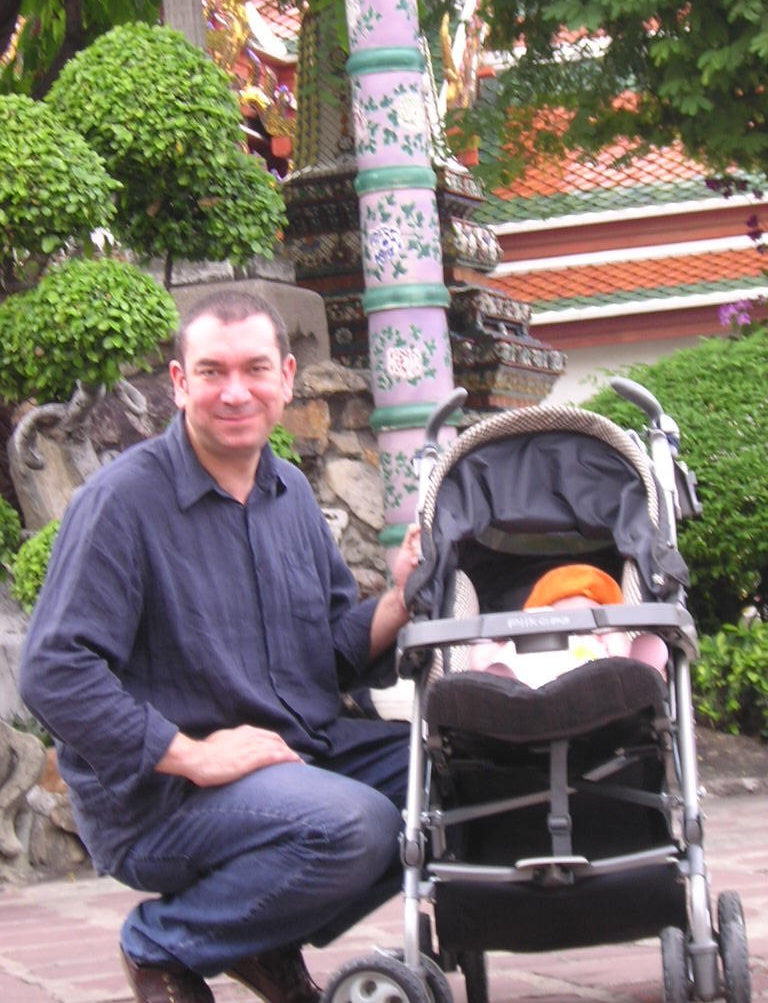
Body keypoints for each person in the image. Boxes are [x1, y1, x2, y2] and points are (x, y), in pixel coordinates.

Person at [20, 290, 422, 1003]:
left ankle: (255, 939)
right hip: (164, 796)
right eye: (211, 372)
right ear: (179, 384)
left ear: (287, 377)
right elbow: (55, 672)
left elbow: (322, 656)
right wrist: (195, 755)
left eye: (255, 370)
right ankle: (163, 945)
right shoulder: (120, 503)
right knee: (357, 825)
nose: (235, 392)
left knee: (454, 779)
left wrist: (398, 598)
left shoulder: (289, 493)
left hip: (296, 753)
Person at [469, 563, 668, 686]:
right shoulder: (533, 617)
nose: (581, 602)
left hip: (585, 681)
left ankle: (642, 674)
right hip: (536, 684)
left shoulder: (601, 627)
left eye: (590, 603)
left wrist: (486, 649)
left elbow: (618, 650)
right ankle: (499, 682)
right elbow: (619, 651)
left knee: (623, 662)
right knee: (498, 667)